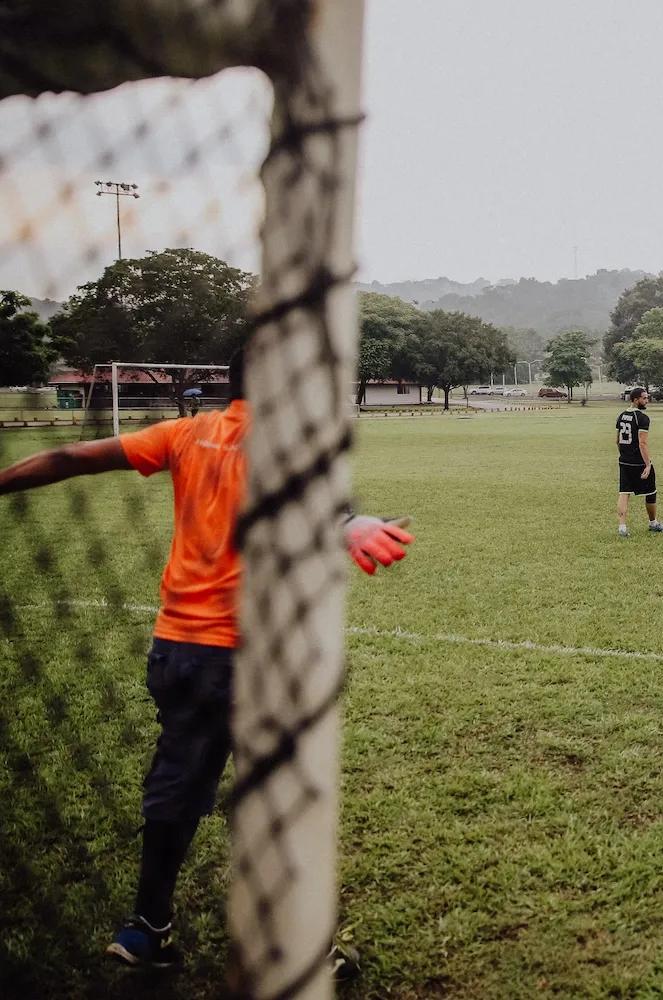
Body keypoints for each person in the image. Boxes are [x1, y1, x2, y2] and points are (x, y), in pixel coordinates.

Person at [0, 349, 414, 973]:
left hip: (180, 650)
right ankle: (302, 949)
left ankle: (146, 928)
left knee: (175, 786)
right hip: (258, 660)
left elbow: (69, 458)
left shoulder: (186, 433)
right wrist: (352, 523)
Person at [616, 386, 663, 537]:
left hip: (624, 461)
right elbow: (642, 443)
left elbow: (617, 441)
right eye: (644, 398)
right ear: (635, 399)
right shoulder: (642, 418)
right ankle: (653, 523)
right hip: (639, 462)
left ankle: (622, 528)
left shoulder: (621, 416)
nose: (647, 401)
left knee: (624, 492)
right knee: (651, 492)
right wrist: (647, 464)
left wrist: (624, 455)